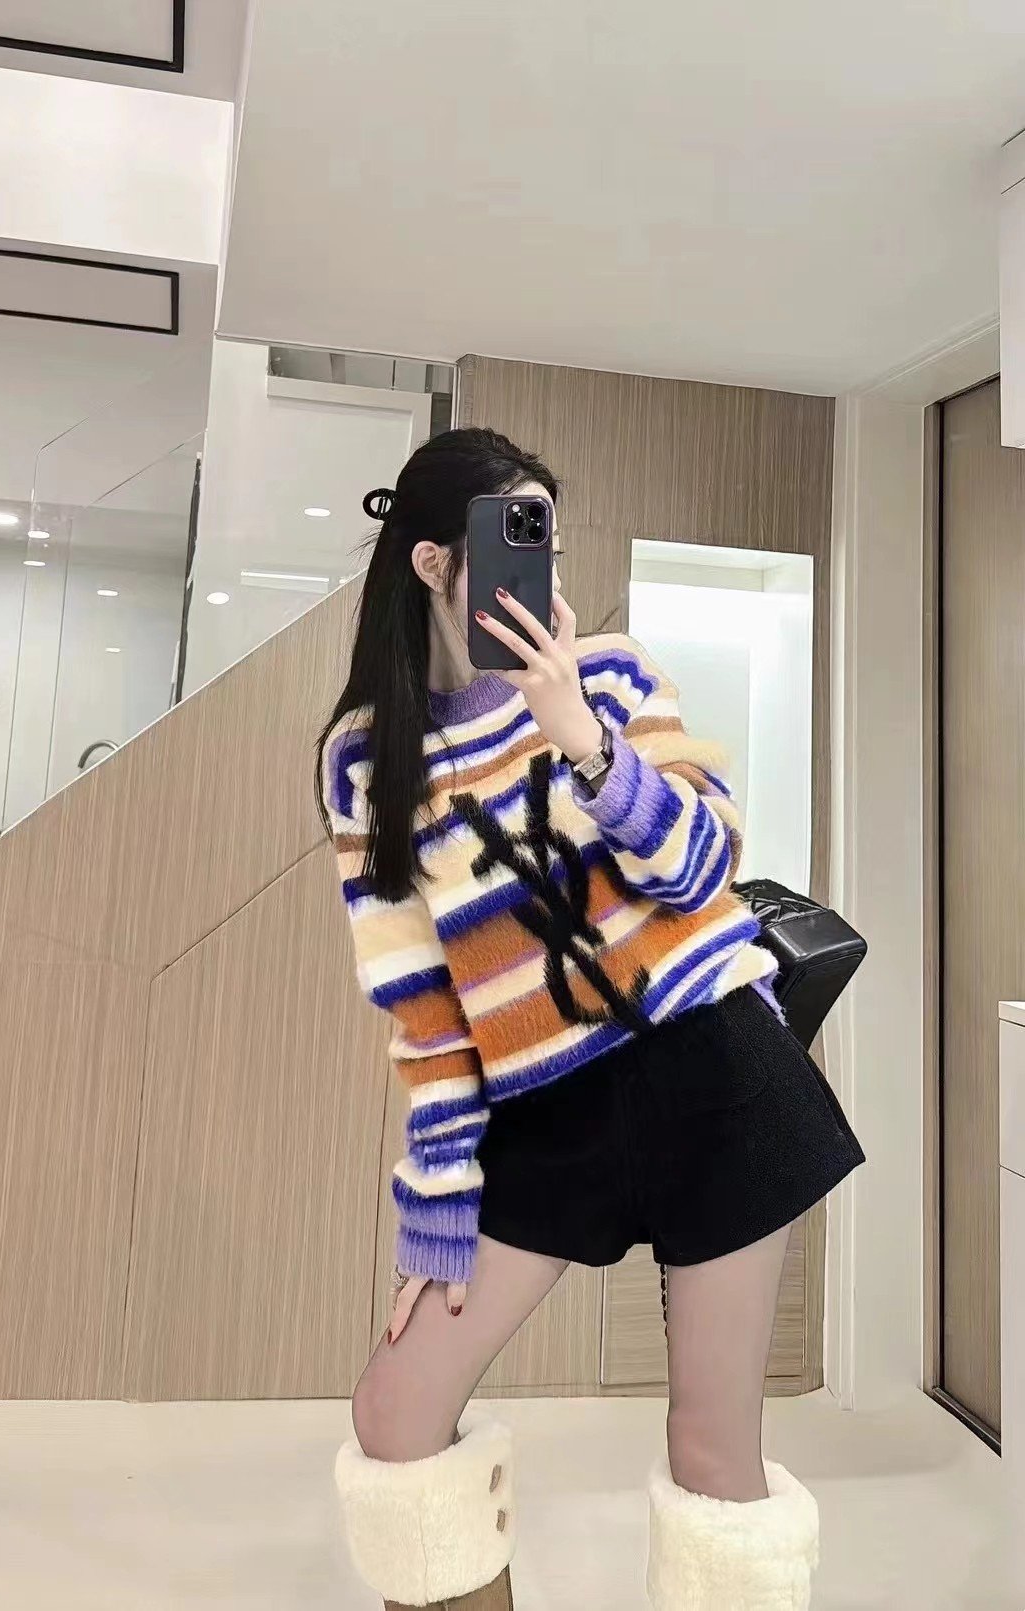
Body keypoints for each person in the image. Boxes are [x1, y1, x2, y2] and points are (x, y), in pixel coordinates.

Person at [317, 427, 863, 1611]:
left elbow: (703, 869)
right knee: (397, 1414)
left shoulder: (607, 676)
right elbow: (424, 1008)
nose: (543, 571)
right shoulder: (366, 760)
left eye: (549, 542)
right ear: (433, 562)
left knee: (714, 1455)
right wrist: (438, 1207)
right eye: (514, 538)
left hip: (714, 1074)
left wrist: (582, 741)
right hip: (546, 1109)